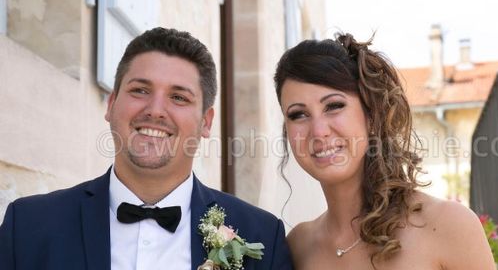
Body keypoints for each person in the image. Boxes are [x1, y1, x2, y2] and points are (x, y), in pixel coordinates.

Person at [0, 27, 292, 270]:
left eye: (178, 97)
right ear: (111, 104)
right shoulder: (27, 226)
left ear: (205, 122)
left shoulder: (262, 237)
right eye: (140, 90)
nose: (155, 111)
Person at [274, 33, 495, 269]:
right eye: (299, 114)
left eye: (334, 106)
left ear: (371, 114)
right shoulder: (298, 247)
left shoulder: (448, 226)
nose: (318, 132)